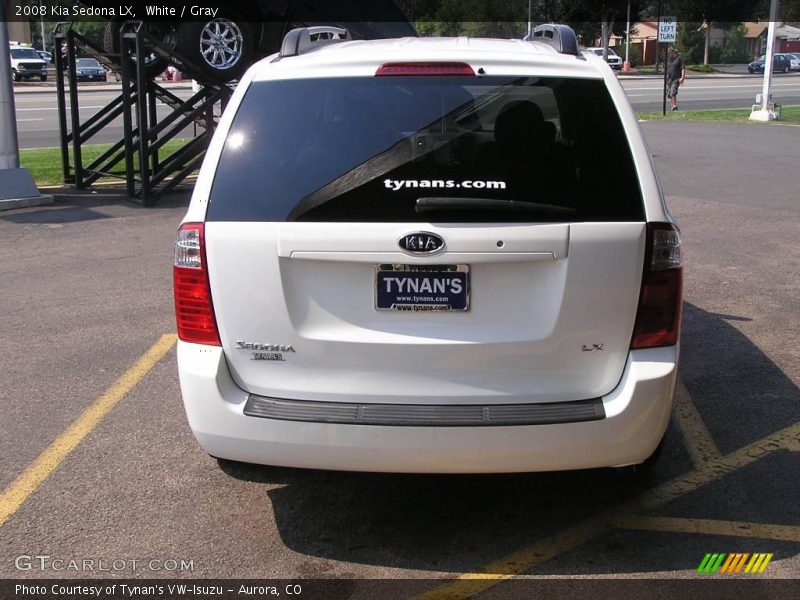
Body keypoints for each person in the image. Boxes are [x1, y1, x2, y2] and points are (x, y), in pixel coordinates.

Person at [666, 47, 686, 111]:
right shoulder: (668, 60)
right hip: (669, 79)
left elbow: (683, 69)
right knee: (669, 94)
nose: (669, 55)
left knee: (673, 92)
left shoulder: (679, 59)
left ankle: (674, 105)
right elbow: (667, 69)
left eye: (669, 53)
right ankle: (672, 106)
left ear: (673, 52)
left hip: (676, 79)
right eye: (668, 54)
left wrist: (682, 78)